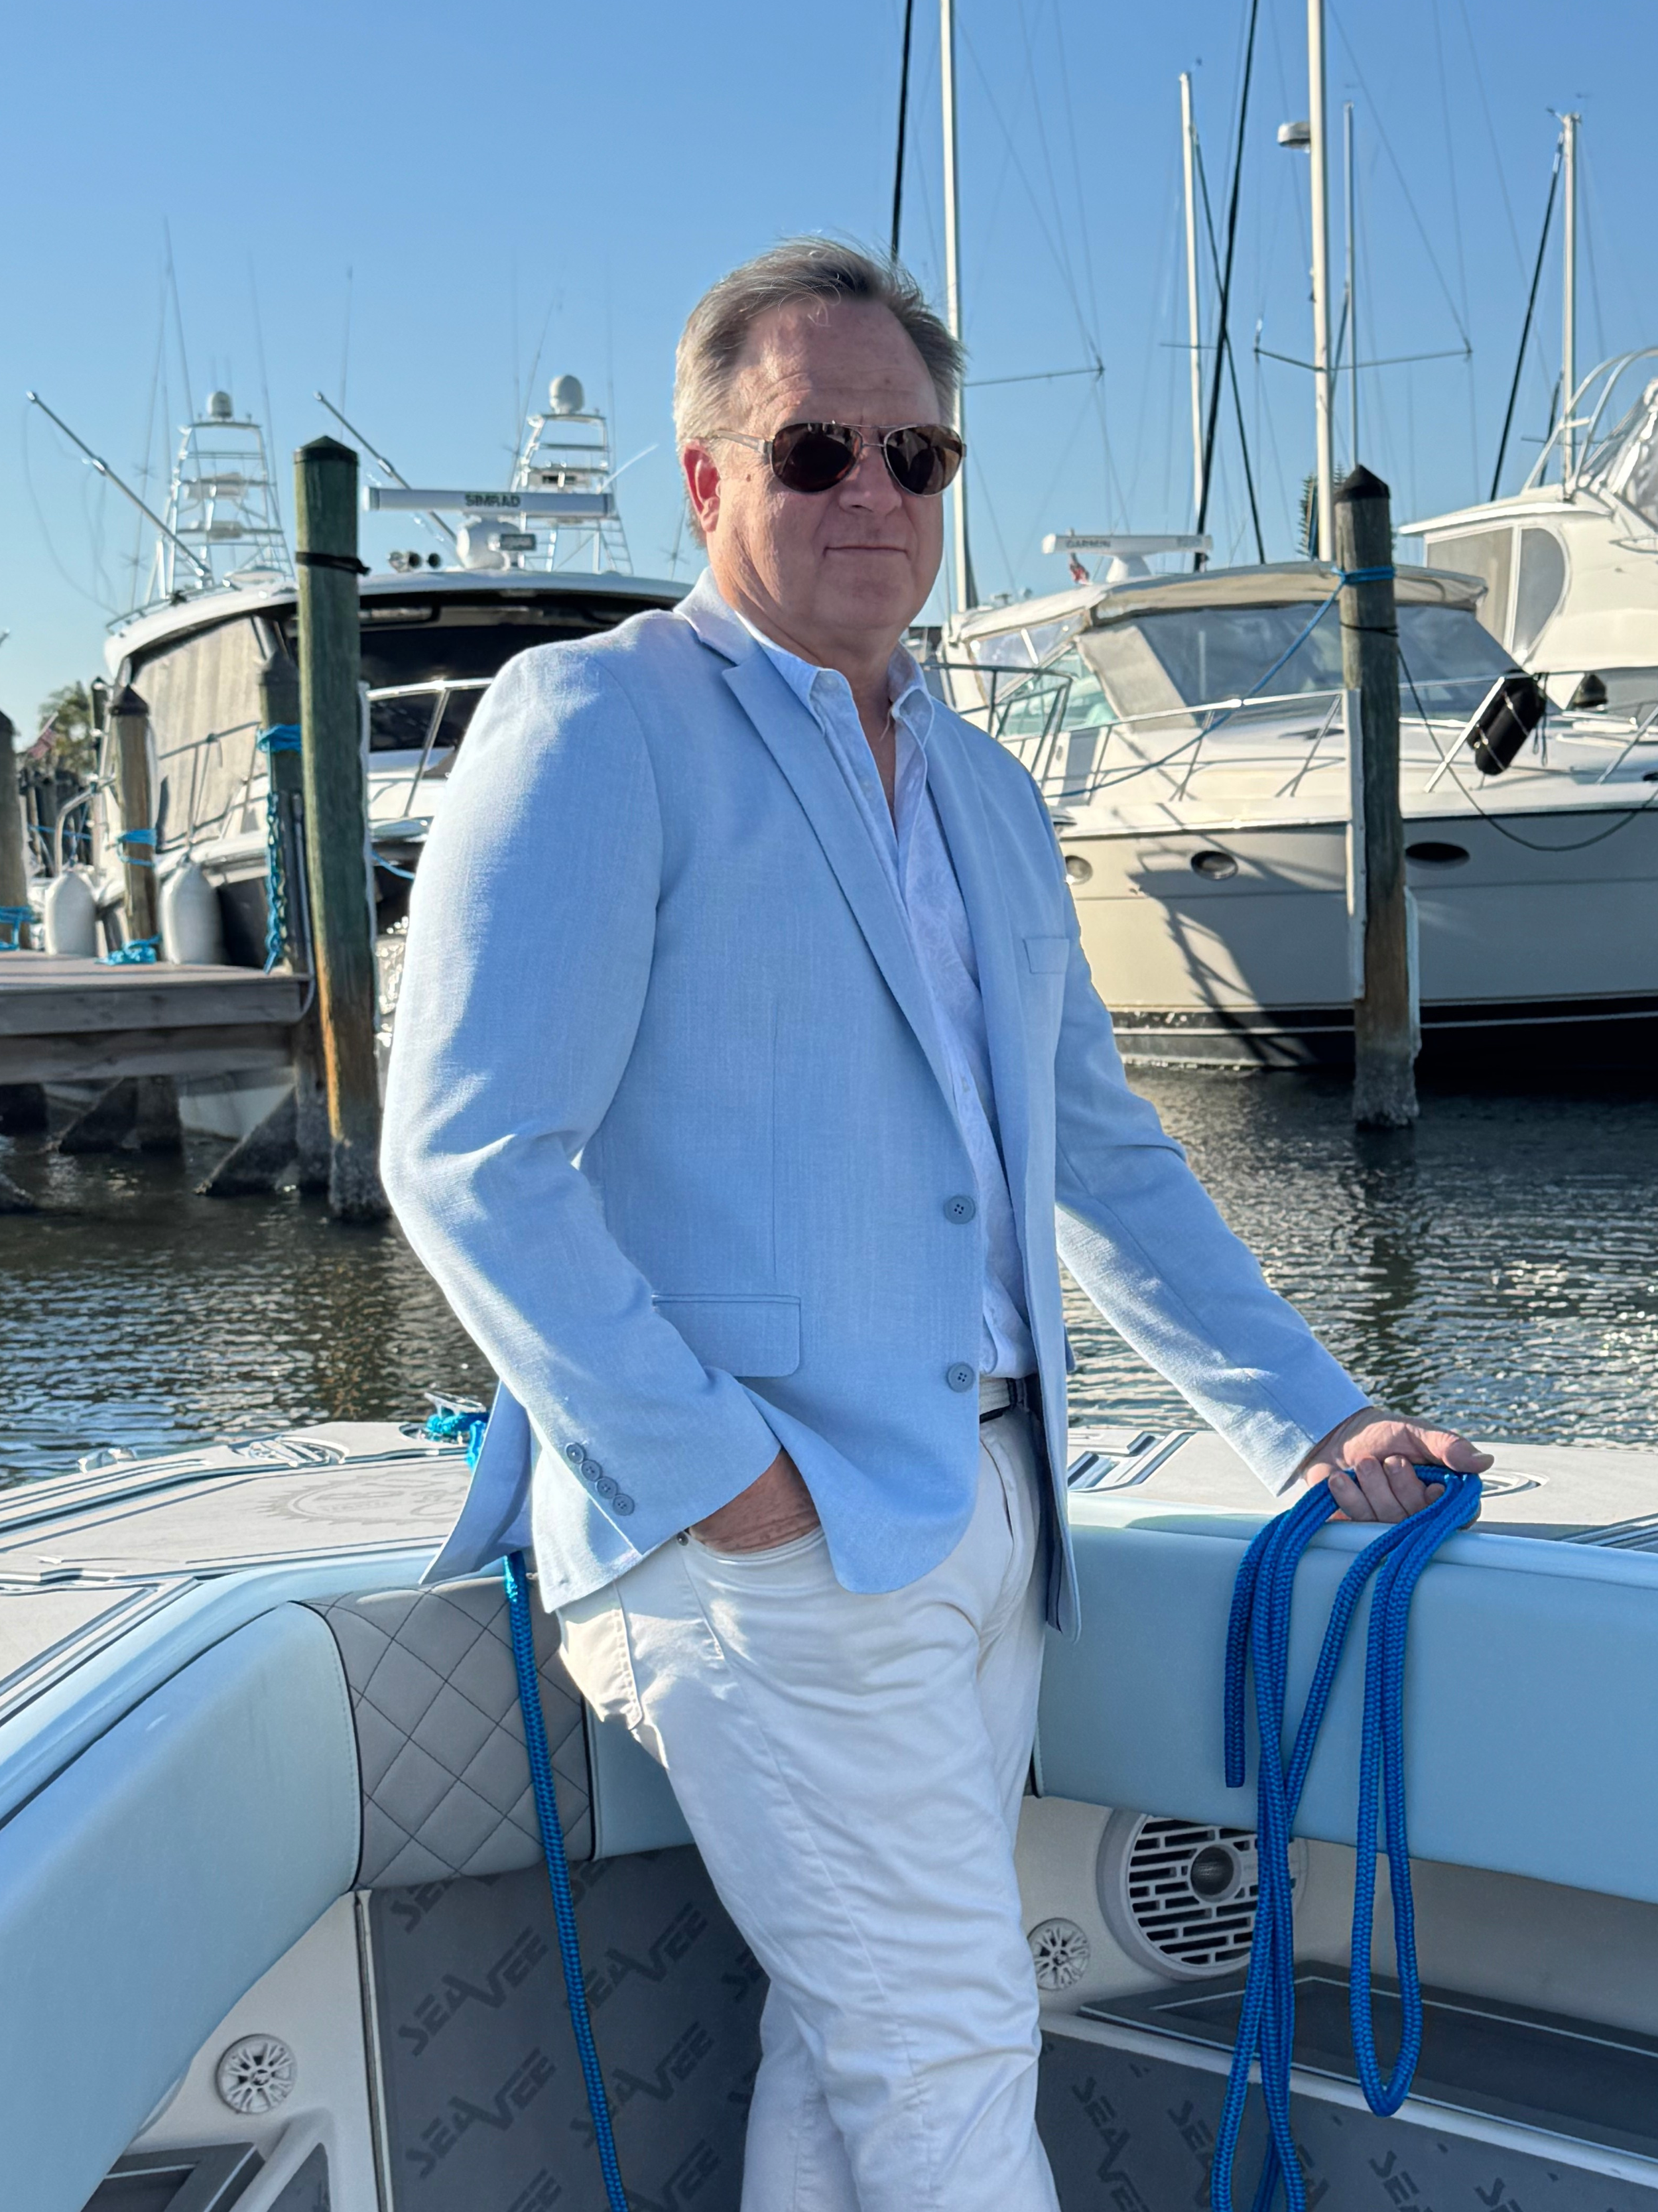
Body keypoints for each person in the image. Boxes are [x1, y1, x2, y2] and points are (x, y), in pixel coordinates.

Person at [381, 238, 1490, 2212]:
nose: (873, 495)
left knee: (857, 2049)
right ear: (711, 479)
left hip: (990, 1514)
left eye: (915, 452)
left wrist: (1312, 1418)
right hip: (765, 1534)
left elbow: (1100, 1153)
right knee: (946, 2045)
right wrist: (725, 1476)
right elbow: (472, 1157)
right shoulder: (595, 723)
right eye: (815, 450)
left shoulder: (981, 784)